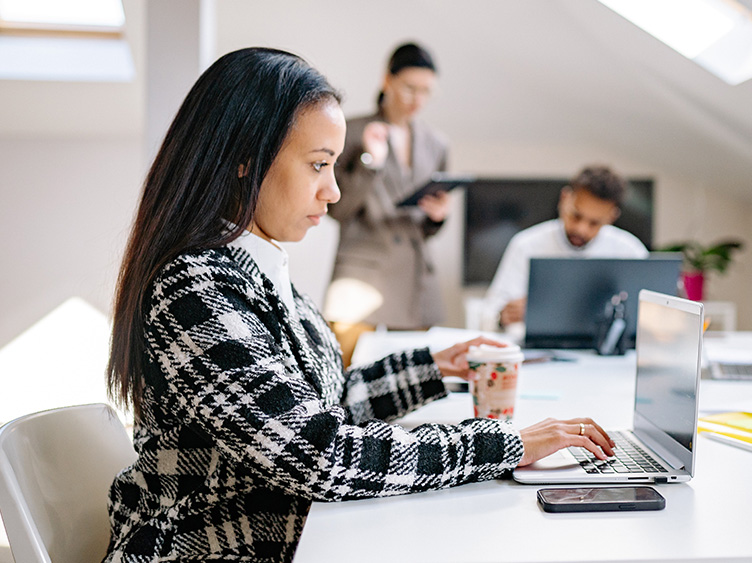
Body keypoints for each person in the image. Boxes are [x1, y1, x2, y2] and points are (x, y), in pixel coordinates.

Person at [104, 48, 614, 562]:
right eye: (319, 165)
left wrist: (435, 367)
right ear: (244, 159)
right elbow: (319, 452)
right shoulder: (195, 288)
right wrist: (505, 444)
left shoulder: (259, 270)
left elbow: (325, 401)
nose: (332, 191)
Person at [327, 42, 450, 329]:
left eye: (426, 91)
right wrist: (370, 162)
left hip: (417, 283)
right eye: (410, 87)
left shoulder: (437, 143)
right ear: (387, 80)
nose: (417, 99)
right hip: (363, 280)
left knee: (421, 370)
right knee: (349, 367)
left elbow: (426, 226)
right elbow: (338, 209)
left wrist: (438, 216)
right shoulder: (349, 130)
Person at [482, 165, 649, 330]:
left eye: (594, 223)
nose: (581, 229)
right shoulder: (526, 244)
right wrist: (503, 316)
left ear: (612, 216)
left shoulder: (630, 250)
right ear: (564, 198)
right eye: (576, 215)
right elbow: (489, 314)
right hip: (542, 353)